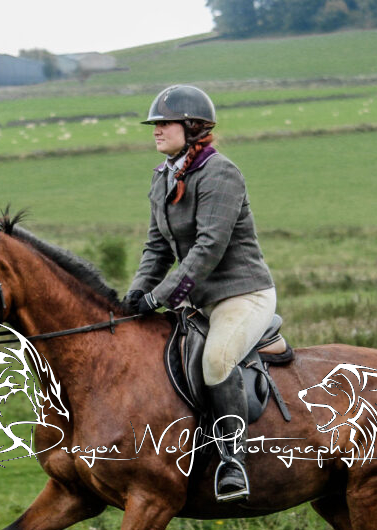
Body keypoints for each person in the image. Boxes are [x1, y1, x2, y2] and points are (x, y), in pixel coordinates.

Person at [122, 85, 277, 503]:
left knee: (216, 360)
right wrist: (136, 295)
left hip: (241, 295)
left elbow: (209, 247)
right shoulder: (163, 176)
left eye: (165, 123)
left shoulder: (220, 173)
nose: (156, 130)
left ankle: (232, 460)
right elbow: (157, 248)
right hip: (197, 300)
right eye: (154, 124)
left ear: (192, 127)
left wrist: (161, 297)